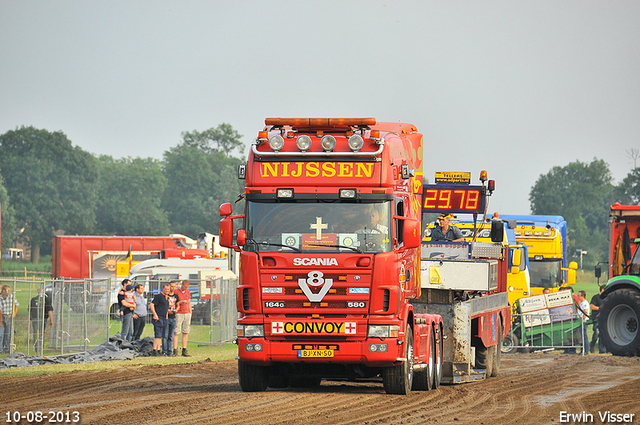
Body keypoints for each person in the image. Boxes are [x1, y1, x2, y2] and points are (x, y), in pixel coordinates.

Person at [29, 286, 54, 352]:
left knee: (35, 333)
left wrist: (31, 317)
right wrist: (51, 320)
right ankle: (40, 347)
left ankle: (36, 347)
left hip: (35, 318)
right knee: (41, 333)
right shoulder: (46, 300)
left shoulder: (33, 299)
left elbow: (30, 310)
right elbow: (49, 310)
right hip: (43, 319)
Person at [149, 283, 170, 356]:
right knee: (157, 335)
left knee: (161, 335)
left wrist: (166, 317)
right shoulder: (159, 296)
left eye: (168, 289)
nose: (167, 290)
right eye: (166, 289)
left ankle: (158, 350)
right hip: (158, 318)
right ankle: (154, 350)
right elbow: (151, 305)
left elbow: (166, 309)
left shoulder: (167, 298)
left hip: (164, 318)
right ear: (163, 289)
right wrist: (155, 315)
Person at [174, 279, 193, 357]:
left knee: (185, 331)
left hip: (186, 313)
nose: (185, 288)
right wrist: (181, 302)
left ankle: (184, 349)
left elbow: (189, 302)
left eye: (187, 287)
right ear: (182, 285)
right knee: (176, 331)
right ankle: (175, 349)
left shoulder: (188, 292)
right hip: (179, 313)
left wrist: (190, 311)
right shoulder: (176, 292)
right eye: (185, 287)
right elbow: (174, 302)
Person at [0, 284, 20, 354]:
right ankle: (1, 349)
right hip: (1, 317)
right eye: (7, 290)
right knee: (1, 333)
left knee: (8, 334)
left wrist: (14, 314)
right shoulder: (0, 298)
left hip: (9, 317)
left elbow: (16, 305)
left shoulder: (11, 297)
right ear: (3, 290)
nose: (9, 292)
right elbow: (0, 310)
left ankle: (8, 349)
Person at [163, 281, 179, 356]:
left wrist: (176, 309)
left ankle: (170, 351)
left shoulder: (176, 296)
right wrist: (166, 310)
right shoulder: (166, 296)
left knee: (171, 336)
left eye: (174, 286)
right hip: (166, 318)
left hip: (173, 317)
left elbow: (178, 305)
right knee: (165, 336)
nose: (173, 288)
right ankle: (164, 351)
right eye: (171, 286)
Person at [590, 285, 606, 354]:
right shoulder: (596, 297)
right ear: (602, 290)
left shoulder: (606, 298)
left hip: (603, 317)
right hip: (596, 317)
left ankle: (601, 349)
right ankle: (592, 344)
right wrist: (600, 308)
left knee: (602, 333)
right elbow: (592, 307)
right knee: (596, 333)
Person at [576, 290, 590, 355]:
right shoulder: (582, 303)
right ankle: (583, 350)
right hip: (581, 322)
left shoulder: (585, 303)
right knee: (582, 336)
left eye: (579, 296)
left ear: (583, 296)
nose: (578, 297)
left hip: (583, 322)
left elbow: (586, 312)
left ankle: (586, 350)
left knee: (584, 336)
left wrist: (582, 318)